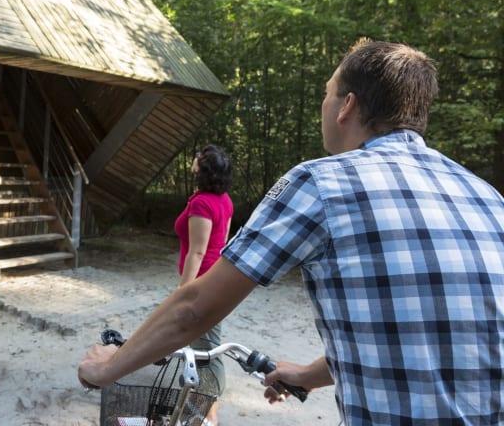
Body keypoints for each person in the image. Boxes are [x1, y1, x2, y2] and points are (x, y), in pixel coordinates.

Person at [78, 39, 504, 425]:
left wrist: (107, 367)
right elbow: (415, 330)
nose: (324, 103)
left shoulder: (323, 183)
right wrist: (308, 376)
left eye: (326, 92)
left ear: (347, 106)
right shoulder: (486, 195)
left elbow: (194, 308)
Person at [174, 144, 233, 426]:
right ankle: (204, 408)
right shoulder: (224, 200)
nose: (193, 164)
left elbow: (199, 251)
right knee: (202, 347)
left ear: (203, 171)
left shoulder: (202, 203)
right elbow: (222, 243)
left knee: (207, 351)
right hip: (213, 280)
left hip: (203, 285)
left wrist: (183, 292)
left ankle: (210, 415)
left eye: (197, 161)